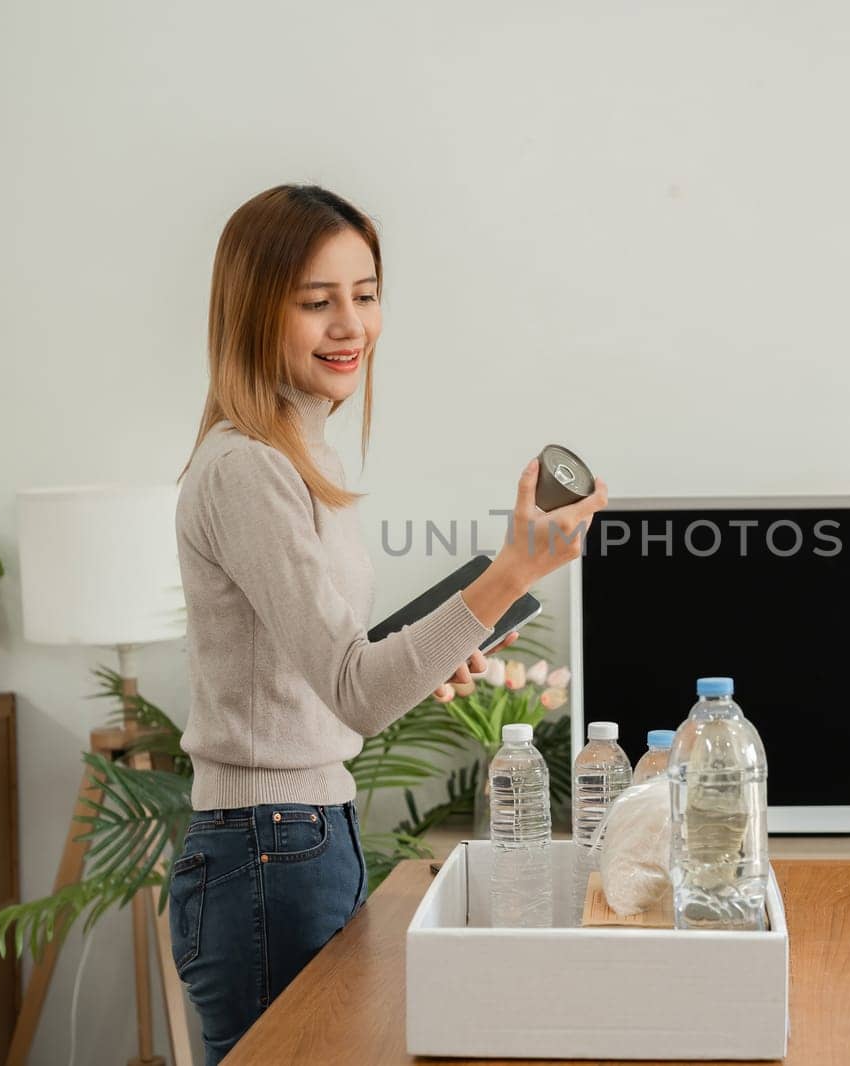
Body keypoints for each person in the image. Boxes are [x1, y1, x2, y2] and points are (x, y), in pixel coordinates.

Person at [168, 183, 607, 1063]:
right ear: (255, 310)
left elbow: (336, 682)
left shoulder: (299, 455)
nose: (351, 326)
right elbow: (355, 693)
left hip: (295, 840)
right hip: (269, 849)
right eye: (316, 301)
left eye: (365, 296)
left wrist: (434, 653)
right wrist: (512, 570)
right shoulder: (250, 470)